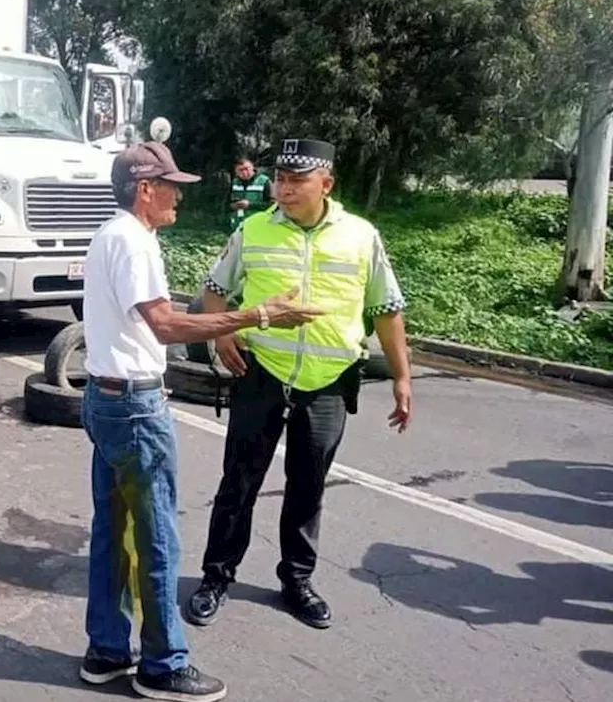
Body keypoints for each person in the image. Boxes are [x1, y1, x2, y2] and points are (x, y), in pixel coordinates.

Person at [78, 141, 324, 701]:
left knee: (113, 532)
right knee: (157, 536)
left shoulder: (111, 235)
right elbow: (166, 325)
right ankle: (163, 666)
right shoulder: (133, 242)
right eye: (171, 187)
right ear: (145, 189)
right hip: (134, 408)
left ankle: (108, 650)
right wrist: (260, 314)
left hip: (106, 398)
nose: (178, 197)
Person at [185, 138, 413, 631]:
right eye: (280, 180)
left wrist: (402, 375)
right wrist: (222, 331)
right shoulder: (253, 230)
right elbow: (213, 290)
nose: (283, 189)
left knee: (308, 487)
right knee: (239, 482)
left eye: (296, 181)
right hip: (260, 372)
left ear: (326, 184)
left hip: (329, 382)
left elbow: (387, 309)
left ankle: (297, 581)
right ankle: (216, 577)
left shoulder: (361, 237)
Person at [226, 156, 271, 232]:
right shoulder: (234, 183)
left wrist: (250, 204)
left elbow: (272, 205)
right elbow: (226, 205)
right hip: (237, 227)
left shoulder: (264, 181)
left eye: (246, 169)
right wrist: (233, 206)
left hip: (258, 226)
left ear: (252, 167)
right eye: (240, 170)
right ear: (236, 171)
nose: (244, 172)